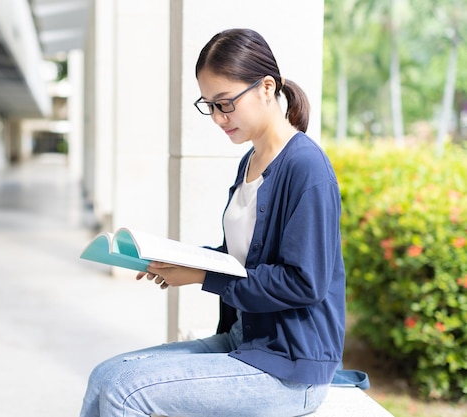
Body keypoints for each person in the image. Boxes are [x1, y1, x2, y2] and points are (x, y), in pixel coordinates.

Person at [79, 28, 345, 417]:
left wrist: (202, 276)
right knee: (105, 375)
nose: (219, 118)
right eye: (209, 106)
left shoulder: (306, 167)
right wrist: (176, 261)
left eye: (225, 104)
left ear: (266, 87)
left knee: (126, 390)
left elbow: (304, 282)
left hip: (289, 368)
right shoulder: (250, 161)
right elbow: (239, 257)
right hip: (245, 339)